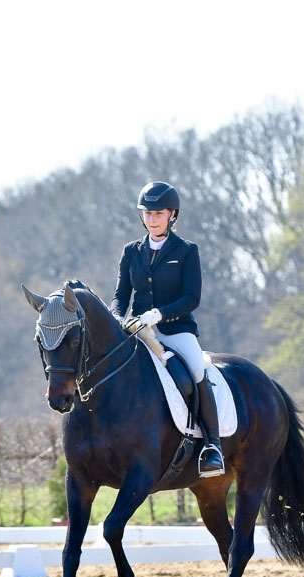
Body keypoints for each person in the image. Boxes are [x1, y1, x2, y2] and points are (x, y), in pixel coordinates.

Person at [111, 181, 224, 477]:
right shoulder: (131, 251)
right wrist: (117, 318)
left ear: (172, 215)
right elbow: (120, 295)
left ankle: (212, 447)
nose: (152, 219)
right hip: (138, 330)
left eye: (158, 213)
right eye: (147, 213)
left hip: (176, 330)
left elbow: (192, 297)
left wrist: (159, 314)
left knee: (198, 371)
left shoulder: (186, 251)